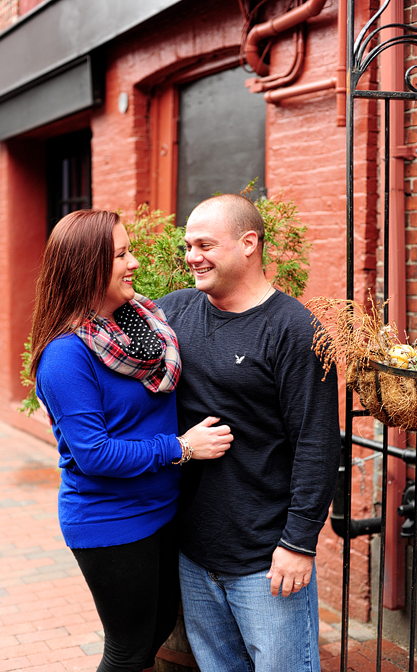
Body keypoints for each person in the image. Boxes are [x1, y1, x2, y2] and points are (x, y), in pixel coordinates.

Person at [29, 209, 234, 672]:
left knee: (158, 627)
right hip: (111, 520)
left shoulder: (138, 322)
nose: (135, 262)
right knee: (128, 649)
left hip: (161, 508)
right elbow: (94, 453)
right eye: (122, 254)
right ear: (88, 266)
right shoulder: (66, 353)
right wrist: (182, 447)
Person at [156, 194, 339, 672]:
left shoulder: (295, 330)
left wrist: (299, 544)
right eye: (188, 245)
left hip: (266, 560)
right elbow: (101, 338)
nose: (192, 256)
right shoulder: (173, 313)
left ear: (249, 243)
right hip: (194, 552)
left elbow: (317, 444)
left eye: (205, 244)